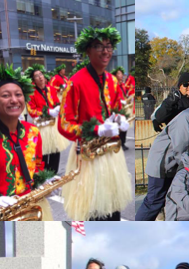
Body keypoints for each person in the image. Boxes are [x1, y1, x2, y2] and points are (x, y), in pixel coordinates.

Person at [59, 26, 131, 221]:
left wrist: (119, 118)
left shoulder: (112, 81)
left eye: (108, 46)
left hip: (111, 153)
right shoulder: (75, 82)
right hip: (88, 155)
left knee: (113, 211)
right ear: (88, 51)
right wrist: (96, 129)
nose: (106, 51)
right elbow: (64, 124)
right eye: (99, 46)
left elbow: (115, 108)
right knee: (93, 212)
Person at [0, 65, 51, 213]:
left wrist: (43, 181)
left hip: (31, 209)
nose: (14, 100)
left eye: (18, 95)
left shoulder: (33, 132)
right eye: (6, 95)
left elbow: (37, 166)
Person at [139, 86, 189, 221]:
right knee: (154, 202)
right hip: (162, 164)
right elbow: (182, 149)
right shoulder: (187, 117)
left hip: (172, 164)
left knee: (163, 200)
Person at [25, 64, 69, 174]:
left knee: (55, 151)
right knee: (43, 154)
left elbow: (56, 102)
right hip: (41, 127)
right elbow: (32, 111)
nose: (40, 77)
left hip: (53, 125)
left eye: (41, 74)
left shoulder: (51, 89)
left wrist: (58, 107)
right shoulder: (31, 93)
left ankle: (54, 176)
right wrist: (48, 112)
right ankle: (45, 177)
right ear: (33, 80)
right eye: (36, 76)